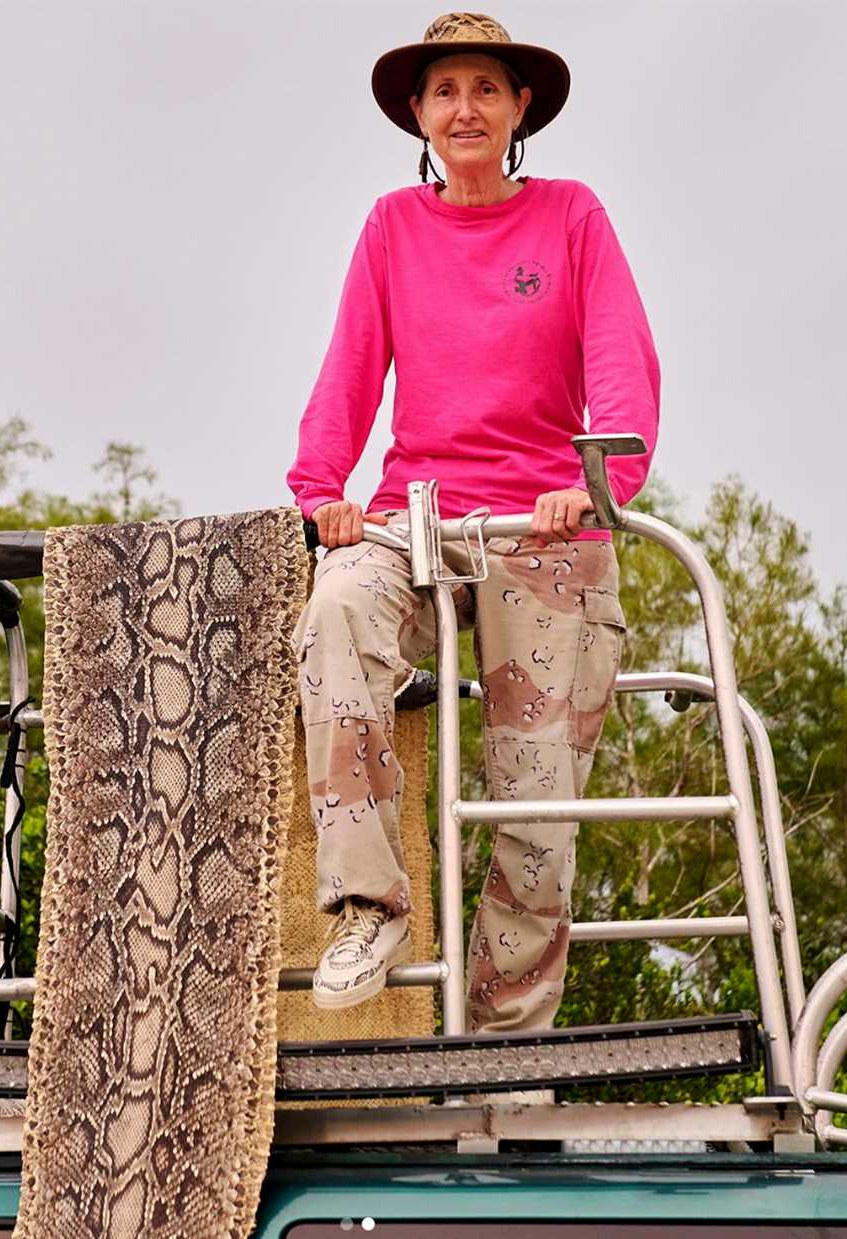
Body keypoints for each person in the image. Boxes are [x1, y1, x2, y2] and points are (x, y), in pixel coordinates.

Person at [286, 12, 660, 1034]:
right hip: (420, 520)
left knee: (531, 807)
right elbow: (348, 368)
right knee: (333, 616)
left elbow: (619, 360)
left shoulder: (571, 217)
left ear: (518, 108)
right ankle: (368, 906)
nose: (464, 108)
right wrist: (322, 488)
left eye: (484, 90)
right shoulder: (391, 228)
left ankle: (505, 1045)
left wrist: (596, 479)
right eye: (443, 90)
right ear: (416, 112)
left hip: (542, 530)